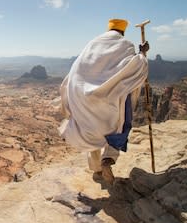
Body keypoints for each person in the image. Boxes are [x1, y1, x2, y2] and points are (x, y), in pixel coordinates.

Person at [57, 18, 149, 184]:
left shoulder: (93, 44)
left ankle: (97, 170)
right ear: (123, 31)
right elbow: (133, 68)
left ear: (109, 29)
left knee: (89, 128)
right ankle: (108, 159)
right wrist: (142, 54)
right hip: (110, 96)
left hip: (85, 95)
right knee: (119, 125)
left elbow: (78, 68)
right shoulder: (125, 44)